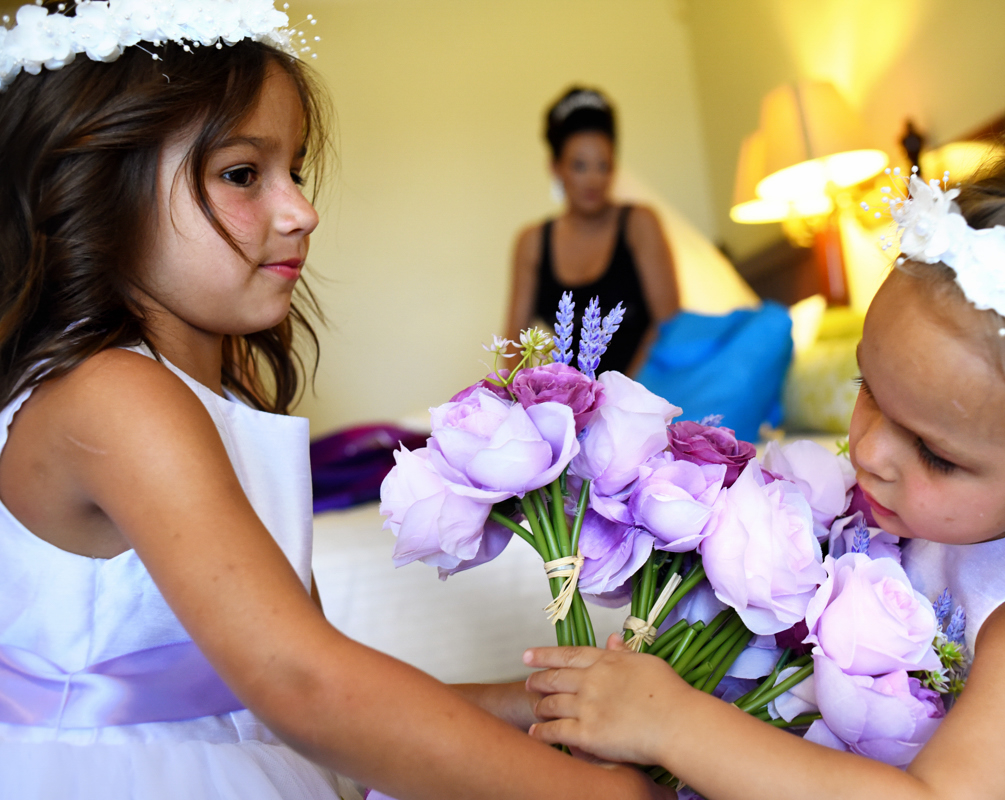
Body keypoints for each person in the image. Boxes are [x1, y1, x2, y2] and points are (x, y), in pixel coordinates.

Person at [0, 4, 670, 799]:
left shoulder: (208, 398)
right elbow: (307, 687)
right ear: (103, 187)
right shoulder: (114, 395)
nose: (302, 211)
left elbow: (320, 674)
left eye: (297, 170)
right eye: (244, 174)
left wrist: (537, 707)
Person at [523, 131, 1005, 798]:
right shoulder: (955, 513)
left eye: (935, 453)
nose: (868, 451)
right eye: (867, 387)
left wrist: (676, 724)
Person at [506, 87, 679, 376]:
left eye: (604, 165)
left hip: (644, 393)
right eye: (579, 166)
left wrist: (618, 398)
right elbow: (513, 344)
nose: (594, 179)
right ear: (555, 167)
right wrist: (529, 399)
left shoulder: (639, 224)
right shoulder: (533, 243)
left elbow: (669, 325)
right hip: (574, 410)